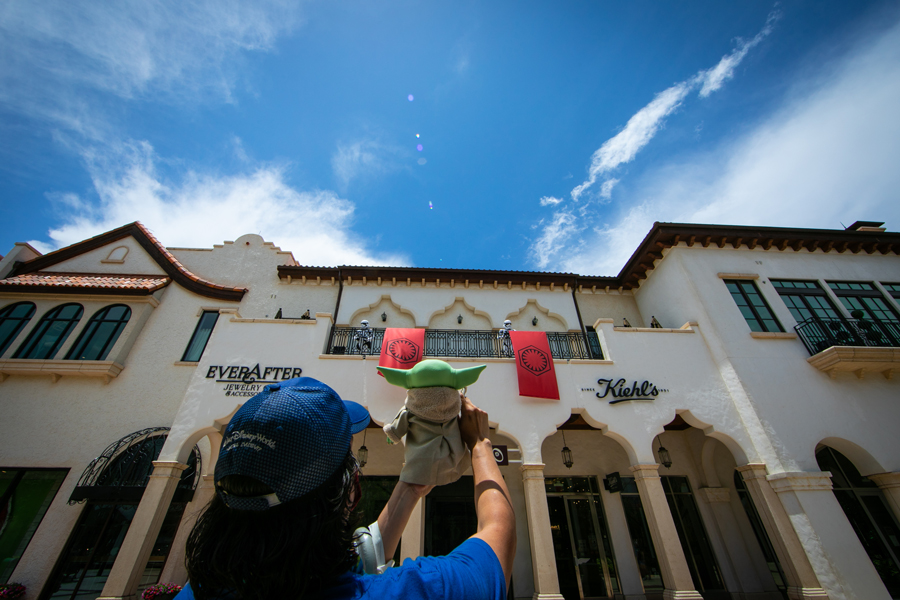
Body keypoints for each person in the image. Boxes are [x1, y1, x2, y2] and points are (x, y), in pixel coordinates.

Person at [176, 376, 515, 600]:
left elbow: (365, 554)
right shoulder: (422, 590)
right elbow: (498, 535)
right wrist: (481, 444)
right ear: (351, 490)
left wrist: (410, 487)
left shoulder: (197, 591)